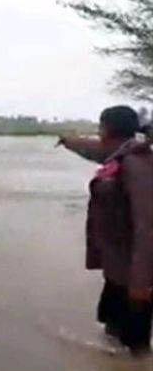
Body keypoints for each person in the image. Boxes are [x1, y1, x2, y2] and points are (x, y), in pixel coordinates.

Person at [58, 105, 153, 355]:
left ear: (108, 129)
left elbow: (147, 223)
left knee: (136, 348)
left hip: (135, 271)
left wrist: (141, 281)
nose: (98, 133)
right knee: (112, 337)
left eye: (100, 127)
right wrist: (70, 141)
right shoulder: (120, 154)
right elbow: (93, 150)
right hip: (118, 266)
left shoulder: (137, 163)